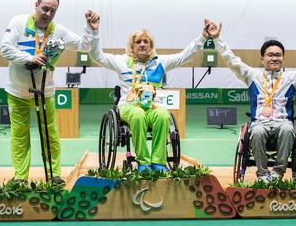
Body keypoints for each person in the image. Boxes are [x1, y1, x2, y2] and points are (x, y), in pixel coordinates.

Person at [87, 19, 219, 171]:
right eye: (138, 42)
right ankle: (143, 162)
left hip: (150, 107)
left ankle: (158, 162)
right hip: (129, 106)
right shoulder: (122, 61)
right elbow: (97, 56)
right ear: (132, 46)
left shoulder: (159, 62)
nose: (142, 44)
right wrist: (95, 32)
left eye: (146, 41)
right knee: (137, 115)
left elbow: (184, 56)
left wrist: (202, 37)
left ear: (151, 46)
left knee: (163, 115)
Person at [0, 0, 98, 184]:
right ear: (36, 5)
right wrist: (30, 58)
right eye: (45, 8)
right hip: (17, 91)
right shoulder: (18, 22)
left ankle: (54, 175)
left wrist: (91, 29)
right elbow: (5, 49)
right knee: (19, 136)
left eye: (52, 11)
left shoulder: (58, 30)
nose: (48, 13)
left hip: (45, 92)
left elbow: (84, 45)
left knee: (50, 134)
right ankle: (20, 177)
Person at [216, 25, 296, 181]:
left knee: (288, 129)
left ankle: (277, 172)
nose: (274, 58)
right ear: (262, 58)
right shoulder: (252, 75)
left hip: (282, 123)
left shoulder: (291, 78)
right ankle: (262, 174)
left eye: (278, 55)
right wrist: (217, 38)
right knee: (256, 132)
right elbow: (231, 60)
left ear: (283, 58)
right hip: (260, 124)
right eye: (270, 55)